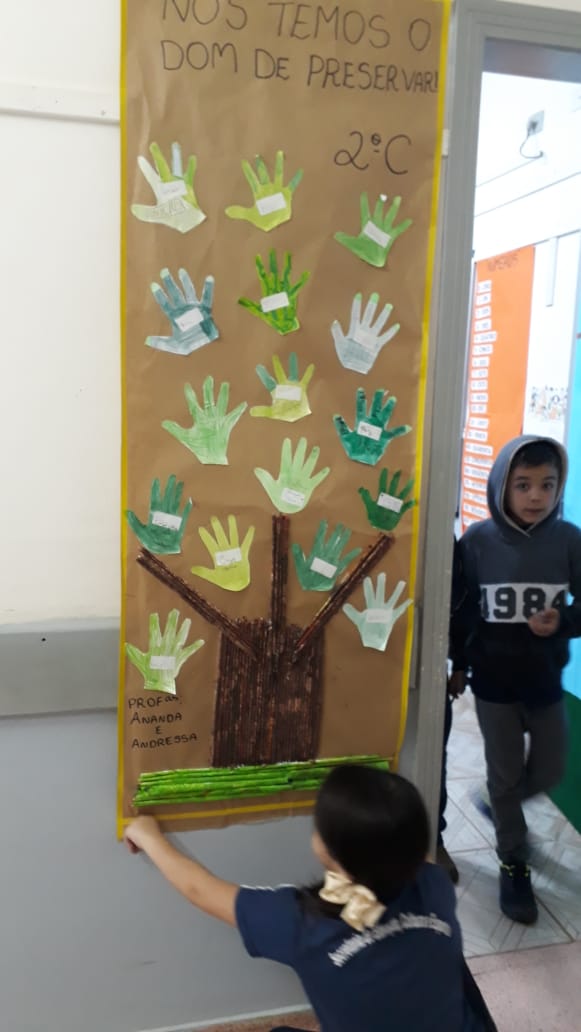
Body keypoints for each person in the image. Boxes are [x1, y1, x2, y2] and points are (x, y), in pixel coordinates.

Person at [125, 765, 496, 1031]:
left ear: (329, 852)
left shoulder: (300, 923)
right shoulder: (434, 885)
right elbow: (396, 857)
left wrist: (148, 836)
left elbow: (200, 890)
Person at [459, 435, 581, 925]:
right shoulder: (477, 541)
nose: (536, 496)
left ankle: (498, 802)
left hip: (545, 682)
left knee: (550, 769)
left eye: (547, 485)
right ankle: (513, 861)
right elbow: (462, 611)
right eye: (523, 485)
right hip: (494, 686)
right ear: (501, 487)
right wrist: (459, 664)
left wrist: (563, 621)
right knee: (505, 775)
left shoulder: (569, 540)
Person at [437, 537, 473, 884]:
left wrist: (459, 663)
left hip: (430, 666)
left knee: (434, 758)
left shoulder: (440, 533)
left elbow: (460, 601)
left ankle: (433, 839)